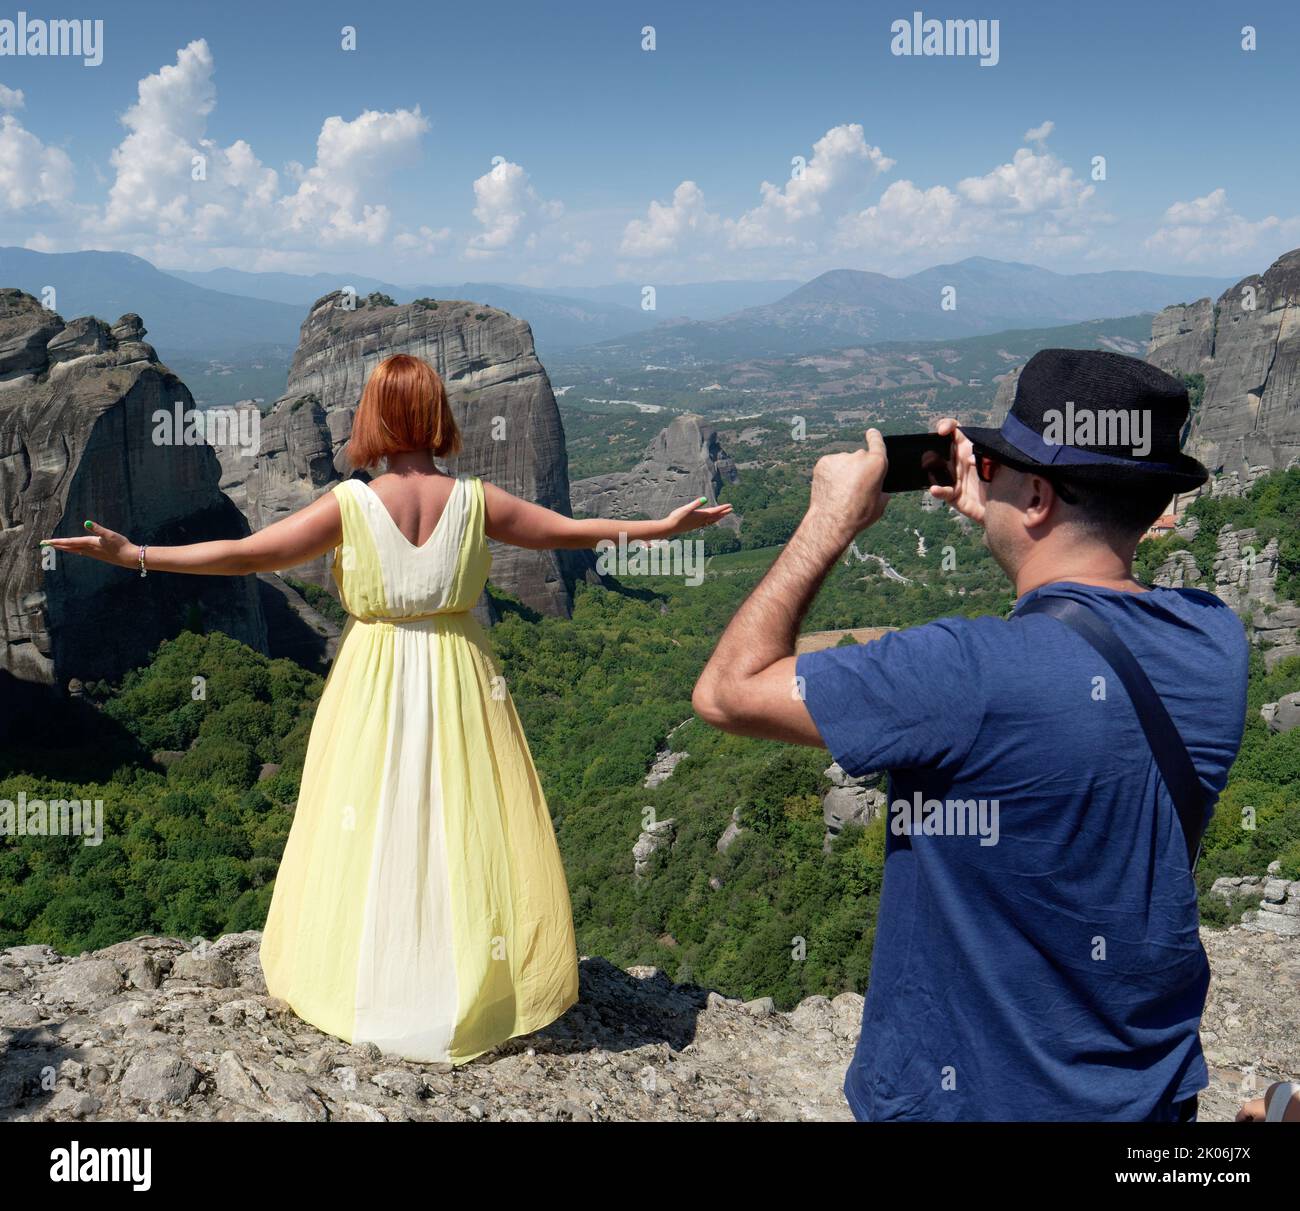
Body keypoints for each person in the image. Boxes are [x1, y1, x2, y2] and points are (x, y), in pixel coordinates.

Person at [43, 353, 731, 1065]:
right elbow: (569, 531)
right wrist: (660, 526)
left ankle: (370, 982)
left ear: (372, 417)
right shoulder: (476, 500)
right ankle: (465, 984)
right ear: (435, 415)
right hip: (464, 680)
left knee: (368, 830)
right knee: (461, 829)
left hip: (371, 682)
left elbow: (246, 555)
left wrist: (138, 554)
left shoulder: (349, 505)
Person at [692, 348, 1249, 1121]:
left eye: (1004, 466)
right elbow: (1078, 617)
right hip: (1149, 1103)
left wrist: (827, 524)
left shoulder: (960, 675)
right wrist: (1013, 516)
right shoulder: (1215, 640)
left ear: (1042, 493)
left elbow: (726, 691)